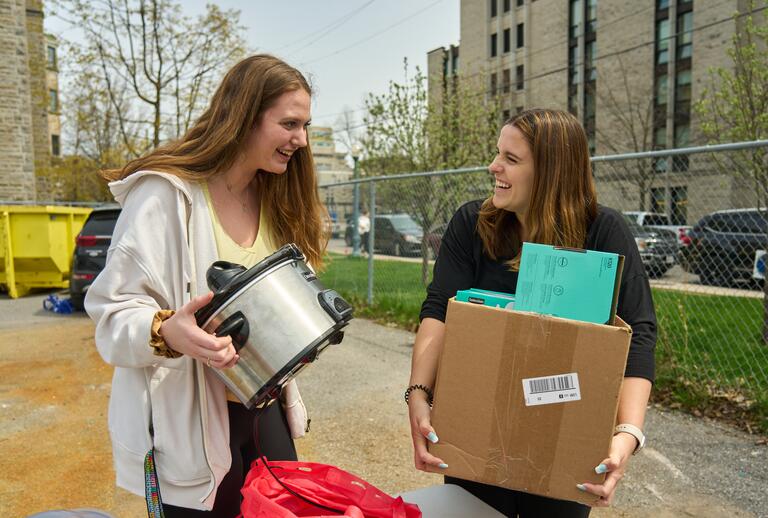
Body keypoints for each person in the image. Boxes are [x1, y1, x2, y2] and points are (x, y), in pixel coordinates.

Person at [85, 54, 327, 517]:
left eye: (306, 125)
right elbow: (110, 312)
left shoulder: (274, 197)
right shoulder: (164, 196)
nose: (301, 139)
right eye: (290, 123)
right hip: (190, 419)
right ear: (244, 117)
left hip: (262, 407)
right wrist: (165, 331)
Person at [406, 109, 655, 517]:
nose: (494, 166)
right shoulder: (472, 223)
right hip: (477, 430)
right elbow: (439, 311)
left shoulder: (604, 232)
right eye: (497, 153)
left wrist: (627, 434)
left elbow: (638, 334)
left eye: (511, 159)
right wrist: (418, 394)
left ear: (551, 174)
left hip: (565, 438)